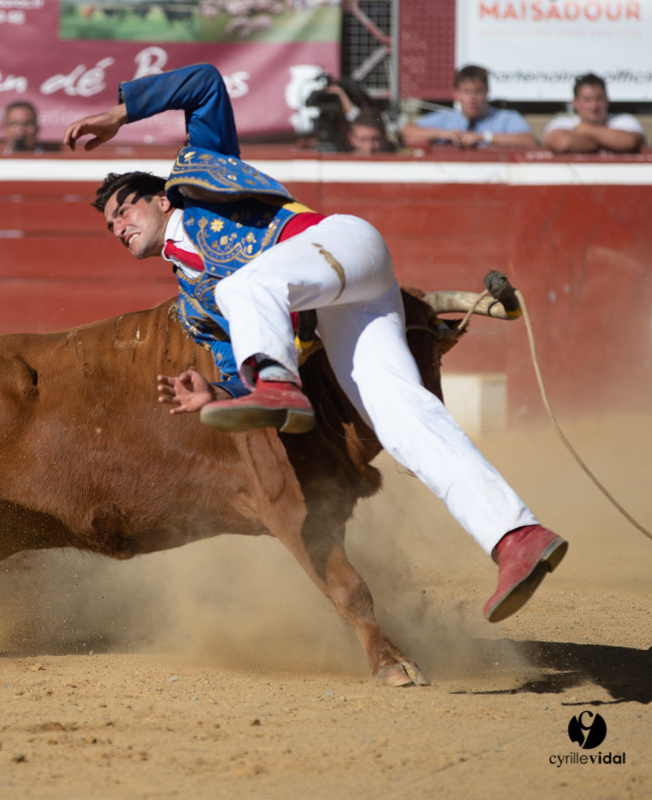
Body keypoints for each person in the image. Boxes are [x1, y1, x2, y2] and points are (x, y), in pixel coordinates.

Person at [62, 62, 567, 624]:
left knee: (243, 286)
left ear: (161, 200)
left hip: (341, 245)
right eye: (110, 227)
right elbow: (233, 361)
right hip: (337, 312)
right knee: (405, 423)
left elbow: (204, 83)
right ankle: (515, 536)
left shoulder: (199, 174)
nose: (119, 227)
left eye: (124, 209)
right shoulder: (195, 308)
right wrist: (217, 392)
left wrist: (120, 114)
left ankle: (279, 385)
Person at [400, 65, 536, 150]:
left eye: (478, 92)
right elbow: (406, 131)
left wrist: (484, 137)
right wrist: (443, 134)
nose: (472, 98)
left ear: (487, 92)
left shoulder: (505, 118)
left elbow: (529, 141)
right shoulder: (446, 119)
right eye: (466, 92)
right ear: (456, 94)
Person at [543, 73, 646, 155]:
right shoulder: (562, 122)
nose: (594, 105)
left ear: (607, 100)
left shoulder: (625, 120)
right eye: (587, 100)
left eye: (599, 99)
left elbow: (630, 142)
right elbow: (563, 144)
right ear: (575, 103)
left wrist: (583, 129)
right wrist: (609, 142)